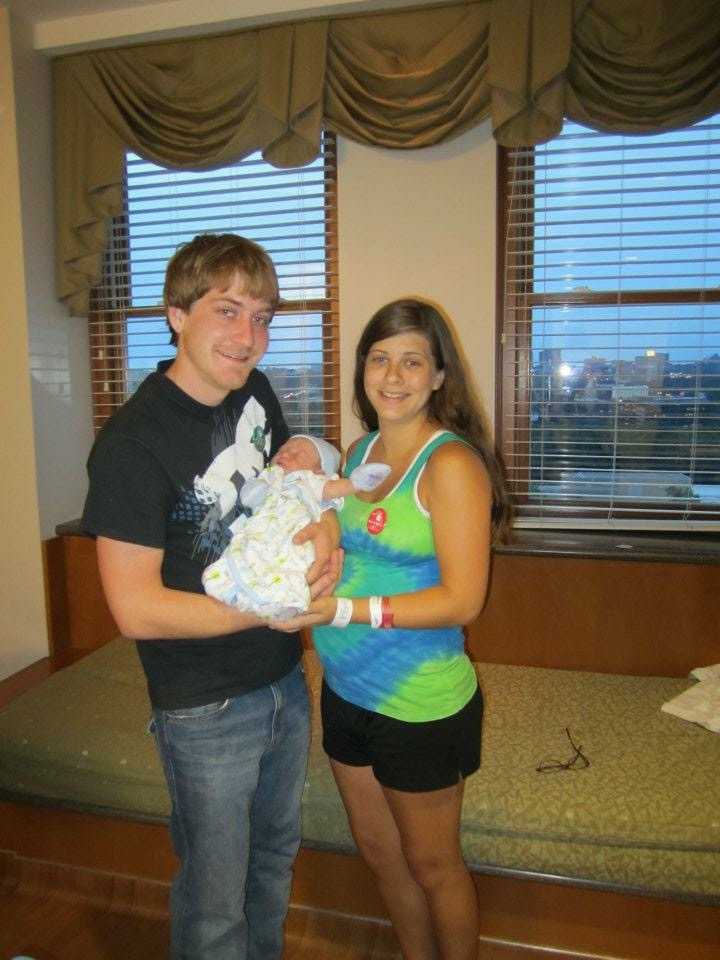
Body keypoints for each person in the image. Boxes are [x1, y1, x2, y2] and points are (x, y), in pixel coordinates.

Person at [81, 233, 341, 960]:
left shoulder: (254, 393)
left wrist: (326, 533)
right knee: (216, 898)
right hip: (204, 707)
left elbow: (297, 490)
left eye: (261, 317)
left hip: (283, 680)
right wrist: (270, 608)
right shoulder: (133, 445)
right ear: (176, 314)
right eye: (227, 310)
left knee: (273, 863)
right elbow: (135, 609)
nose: (247, 336)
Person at [272, 298, 510, 960]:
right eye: (380, 359)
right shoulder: (362, 451)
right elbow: (348, 526)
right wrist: (322, 533)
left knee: (434, 866)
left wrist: (344, 611)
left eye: (412, 361)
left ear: (439, 377)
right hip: (345, 690)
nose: (394, 376)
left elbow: (463, 601)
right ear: (362, 369)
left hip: (420, 705)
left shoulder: (452, 466)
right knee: (380, 855)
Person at [201, 435, 390, 618]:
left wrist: (356, 483)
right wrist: (265, 483)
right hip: (261, 533)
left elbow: (332, 489)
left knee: (288, 568)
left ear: (319, 472)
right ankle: (236, 589)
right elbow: (248, 497)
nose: (285, 454)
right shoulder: (269, 479)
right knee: (244, 557)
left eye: (299, 454)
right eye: (282, 450)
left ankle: (281, 601)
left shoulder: (306, 480)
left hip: (293, 538)